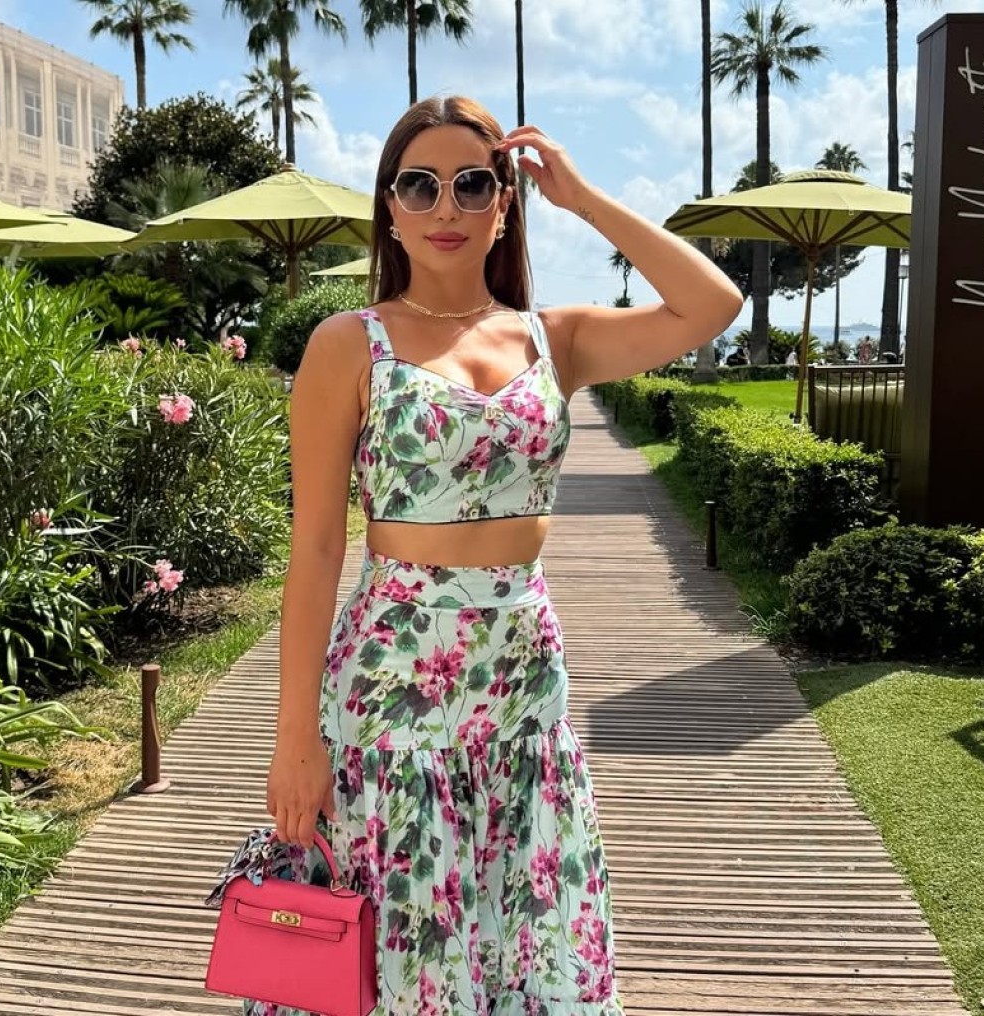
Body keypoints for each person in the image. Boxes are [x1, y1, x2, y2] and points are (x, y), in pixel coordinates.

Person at [264, 96, 742, 1014]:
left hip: (522, 674)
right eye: (419, 185)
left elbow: (711, 304)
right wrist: (295, 741)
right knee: (405, 933)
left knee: (521, 918)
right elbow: (317, 548)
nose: (444, 206)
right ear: (389, 207)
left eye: (471, 184)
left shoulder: (553, 339)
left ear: (503, 204)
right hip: (392, 682)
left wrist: (582, 198)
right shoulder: (347, 344)